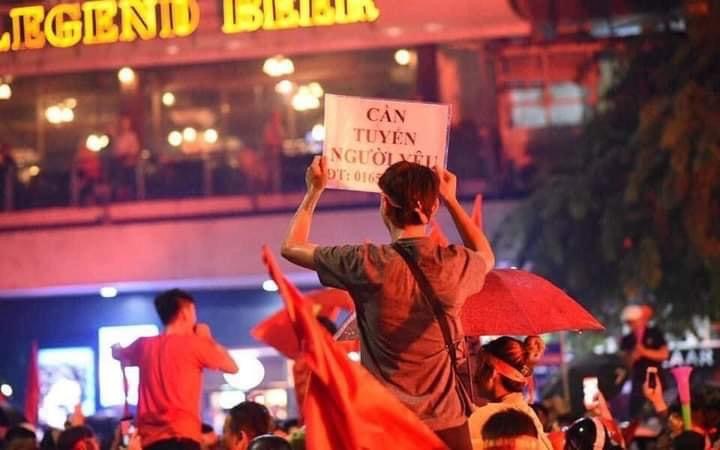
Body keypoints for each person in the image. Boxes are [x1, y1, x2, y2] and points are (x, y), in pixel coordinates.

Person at [281, 158, 495, 450]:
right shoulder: (454, 265)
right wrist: (452, 201)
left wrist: (314, 191)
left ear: (384, 204)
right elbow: (486, 255)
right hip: (447, 425)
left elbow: (291, 247)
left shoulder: (367, 263)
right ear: (433, 208)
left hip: (386, 427)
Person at [112, 289, 238, 450]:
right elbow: (232, 367)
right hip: (183, 436)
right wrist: (208, 339)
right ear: (185, 313)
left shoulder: (143, 345)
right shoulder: (195, 345)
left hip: (150, 440)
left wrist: (116, 348)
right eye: (194, 312)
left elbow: (118, 354)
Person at [468, 336, 552, 450]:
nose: (475, 377)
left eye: (480, 367)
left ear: (492, 373)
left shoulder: (482, 418)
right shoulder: (530, 415)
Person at [619, 305, 669, 418]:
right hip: (637, 381)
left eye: (633, 321)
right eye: (629, 322)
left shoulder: (654, 333)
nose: (632, 325)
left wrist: (644, 352)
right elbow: (625, 363)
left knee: (660, 411)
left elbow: (664, 354)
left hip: (656, 378)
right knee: (635, 414)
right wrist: (632, 357)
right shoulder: (626, 339)